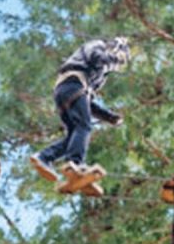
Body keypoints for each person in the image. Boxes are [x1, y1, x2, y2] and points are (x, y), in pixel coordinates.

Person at [32, 36, 130, 177]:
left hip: (67, 91)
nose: (118, 65)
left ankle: (44, 157)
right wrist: (114, 58)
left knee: (75, 134)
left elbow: (87, 101)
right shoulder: (97, 45)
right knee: (84, 126)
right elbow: (96, 57)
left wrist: (109, 117)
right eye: (121, 59)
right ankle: (75, 165)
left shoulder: (99, 76)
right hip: (72, 85)